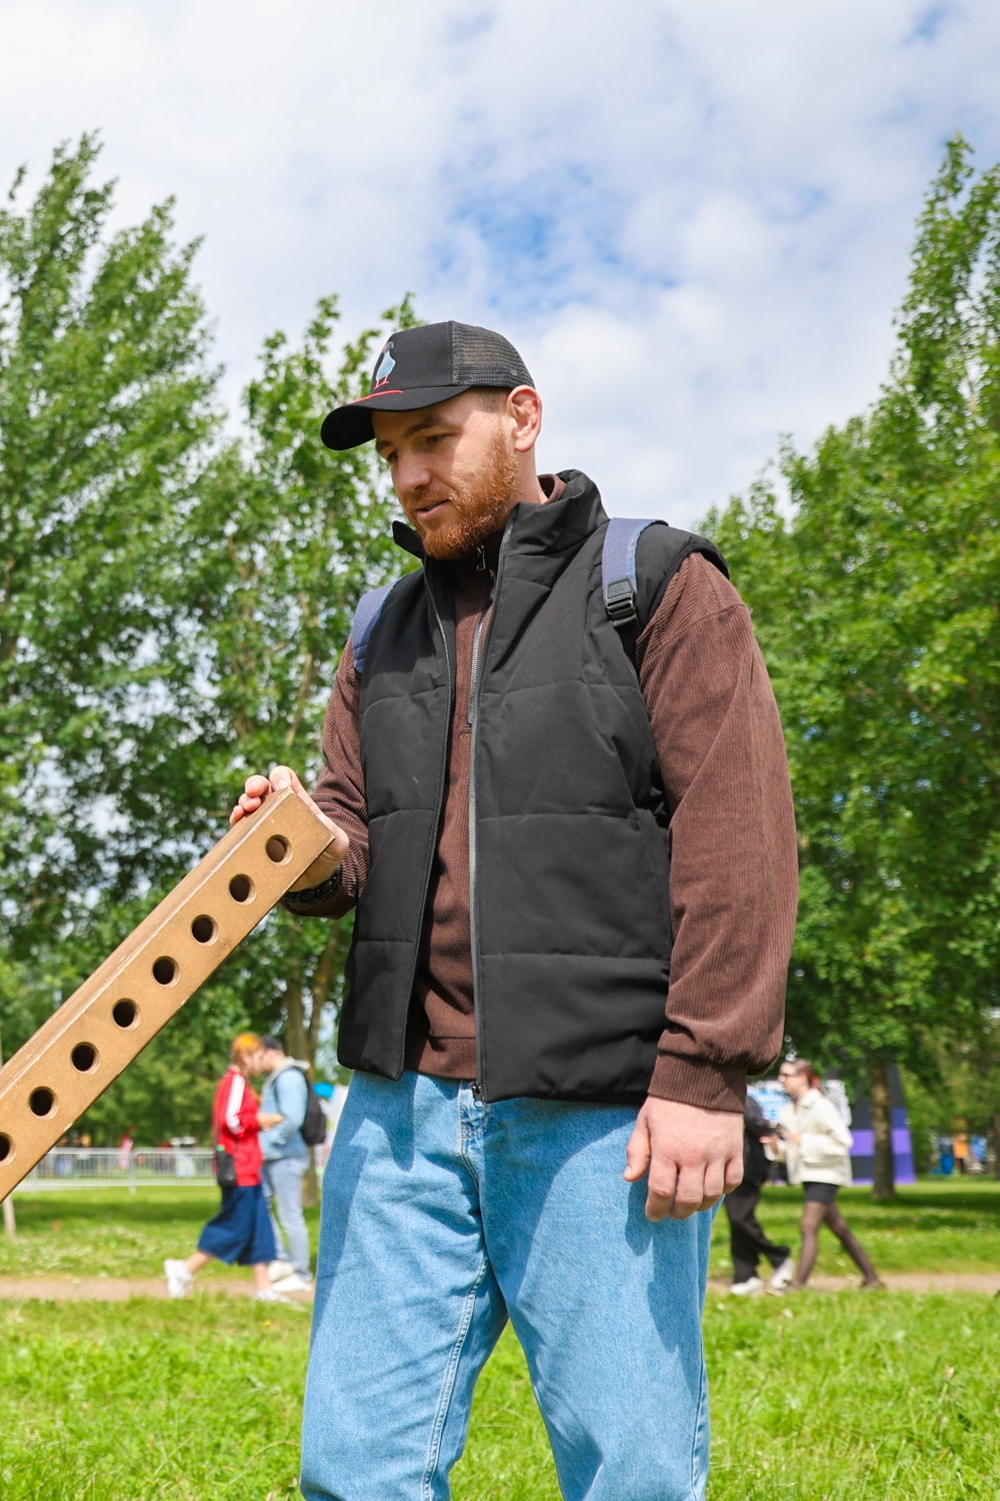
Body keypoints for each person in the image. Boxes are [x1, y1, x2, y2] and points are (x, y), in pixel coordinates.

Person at [233, 321, 798, 1500]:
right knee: (353, 1469)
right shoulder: (378, 630)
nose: (408, 477)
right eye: (390, 453)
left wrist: (703, 1075)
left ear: (524, 417)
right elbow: (353, 845)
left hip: (601, 1116)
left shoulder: (656, 586)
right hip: (397, 1111)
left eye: (434, 440)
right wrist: (293, 840)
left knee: (630, 1474)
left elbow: (737, 844)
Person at [164, 1035, 284, 1302]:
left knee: (259, 1227)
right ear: (245, 1057)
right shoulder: (237, 1082)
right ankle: (185, 1268)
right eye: (259, 1058)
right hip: (240, 1168)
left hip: (249, 1168)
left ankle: (264, 1289)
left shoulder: (241, 1083)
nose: (262, 1064)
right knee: (236, 1226)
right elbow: (232, 1120)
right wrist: (259, 1121)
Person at [771, 1060, 883, 1291]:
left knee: (808, 1226)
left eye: (786, 1075)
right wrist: (775, 1147)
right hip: (809, 1174)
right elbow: (790, 1150)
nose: (781, 1079)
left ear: (802, 1077)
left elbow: (844, 1141)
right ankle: (872, 1279)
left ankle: (798, 1283)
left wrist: (803, 1140)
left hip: (827, 1174)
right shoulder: (790, 1109)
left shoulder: (821, 1106)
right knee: (839, 1227)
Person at [250, 1036, 314, 1293]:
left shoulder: (288, 1077)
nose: (256, 1062)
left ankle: (301, 1274)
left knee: (290, 1214)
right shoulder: (278, 1077)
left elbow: (292, 1119)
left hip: (286, 1156)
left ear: (270, 1053)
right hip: (276, 1155)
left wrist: (266, 1145)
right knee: (261, 1204)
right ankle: (282, 1259)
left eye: (258, 1056)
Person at [725, 1092, 793, 1293]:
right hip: (735, 1169)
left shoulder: (743, 1098)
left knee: (741, 1219)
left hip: (749, 1170)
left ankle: (780, 1256)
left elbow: (759, 1127)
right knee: (737, 1222)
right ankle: (745, 1275)